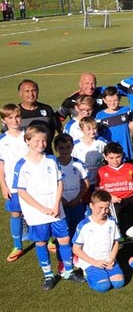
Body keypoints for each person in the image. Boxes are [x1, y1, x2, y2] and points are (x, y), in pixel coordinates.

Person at [14, 124, 86, 289]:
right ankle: (47, 275)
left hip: (55, 209)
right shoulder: (22, 164)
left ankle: (68, 271)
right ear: (27, 141)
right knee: (41, 242)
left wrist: (55, 204)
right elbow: (22, 192)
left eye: (44, 140)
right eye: (37, 140)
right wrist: (42, 209)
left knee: (64, 239)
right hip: (36, 213)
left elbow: (59, 182)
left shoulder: (52, 160)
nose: (41, 144)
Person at [71, 190, 124, 292]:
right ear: (91, 206)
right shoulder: (84, 225)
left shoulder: (111, 222)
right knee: (103, 287)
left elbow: (116, 242)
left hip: (108, 260)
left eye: (106, 208)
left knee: (118, 283)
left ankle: (107, 272)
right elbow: (76, 249)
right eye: (100, 208)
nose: (103, 211)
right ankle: (87, 273)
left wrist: (112, 257)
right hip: (91, 261)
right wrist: (94, 262)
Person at [0, 103, 28, 262]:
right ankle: (18, 245)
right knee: (16, 213)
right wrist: (3, 186)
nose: (15, 120)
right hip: (13, 186)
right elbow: (1, 165)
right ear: (4, 120)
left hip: (33, 186)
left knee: (40, 212)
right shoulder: (2, 140)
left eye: (17, 116)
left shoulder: (29, 135)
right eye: (10, 117)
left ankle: (50, 239)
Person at [97, 141, 133, 233]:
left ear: (122, 155)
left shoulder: (130, 167)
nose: (115, 160)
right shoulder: (102, 171)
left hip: (131, 198)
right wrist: (110, 197)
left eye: (118, 157)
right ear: (105, 157)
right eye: (111, 158)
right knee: (117, 220)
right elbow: (99, 190)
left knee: (131, 220)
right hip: (113, 200)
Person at [18, 79, 60, 154]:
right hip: (24, 156)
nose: (31, 94)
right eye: (27, 91)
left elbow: (57, 129)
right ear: (20, 93)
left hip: (46, 154)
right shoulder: (16, 112)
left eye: (33, 90)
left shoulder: (47, 109)